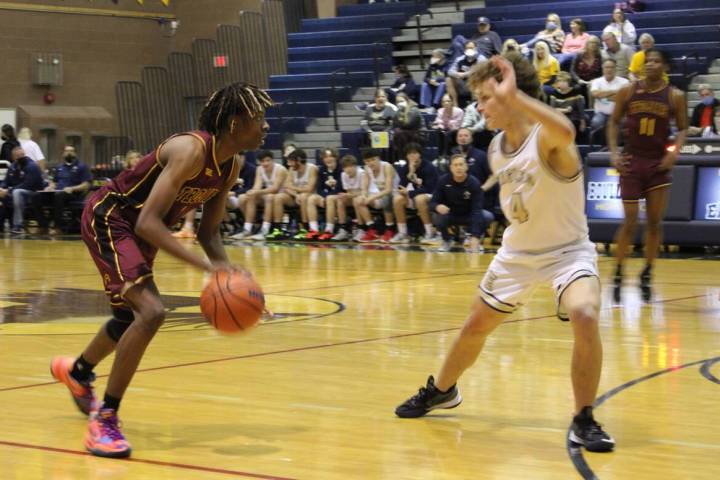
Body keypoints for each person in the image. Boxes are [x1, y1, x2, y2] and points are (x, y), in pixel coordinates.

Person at [395, 54, 616, 454]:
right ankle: (442, 390)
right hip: (517, 254)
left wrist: (519, 98)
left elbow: (565, 130)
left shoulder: (547, 136)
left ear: (510, 95)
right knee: (474, 327)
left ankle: (583, 418)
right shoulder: (496, 147)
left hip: (568, 251)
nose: (478, 106)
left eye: (485, 97)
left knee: (584, 314)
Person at [49, 82, 273, 458]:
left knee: (127, 319)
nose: (265, 126)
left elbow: (209, 232)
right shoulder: (190, 150)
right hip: (112, 218)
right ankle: (105, 419)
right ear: (235, 123)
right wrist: (209, 271)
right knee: (151, 312)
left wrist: (235, 279)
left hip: (139, 230)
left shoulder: (231, 164)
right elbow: (148, 222)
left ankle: (79, 372)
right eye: (259, 118)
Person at [607, 48, 687, 302]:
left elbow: (683, 128)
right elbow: (613, 122)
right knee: (629, 221)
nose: (650, 64)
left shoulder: (675, 96)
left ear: (665, 67)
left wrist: (674, 153)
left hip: (657, 164)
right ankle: (618, 272)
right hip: (632, 161)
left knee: (654, 223)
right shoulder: (628, 91)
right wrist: (613, 153)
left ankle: (647, 272)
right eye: (647, 60)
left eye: (656, 61)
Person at [430, 154, 487, 252]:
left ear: (466, 167)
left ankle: (473, 239)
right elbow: (432, 202)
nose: (458, 168)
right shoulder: (443, 181)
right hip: (450, 214)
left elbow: (476, 210)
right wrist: (437, 206)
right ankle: (446, 240)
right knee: (437, 216)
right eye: (455, 165)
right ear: (451, 168)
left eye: (461, 164)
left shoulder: (474, 183)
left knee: (486, 216)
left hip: (469, 214)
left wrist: (475, 235)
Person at [36, 145, 92, 235]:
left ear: (75, 153)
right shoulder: (59, 167)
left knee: (59, 196)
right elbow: (54, 182)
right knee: (36, 196)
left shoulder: (82, 166)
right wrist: (50, 187)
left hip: (74, 194)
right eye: (66, 151)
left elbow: (86, 185)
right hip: (58, 193)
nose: (69, 153)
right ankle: (43, 226)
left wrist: (72, 188)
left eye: (71, 151)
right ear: (63, 154)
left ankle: (58, 227)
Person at [390, 143, 438, 244]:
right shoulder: (404, 169)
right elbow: (401, 187)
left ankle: (429, 233)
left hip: (431, 196)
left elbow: (429, 188)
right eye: (409, 153)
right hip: (414, 195)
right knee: (397, 199)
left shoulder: (429, 167)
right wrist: (411, 173)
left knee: (419, 199)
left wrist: (409, 192)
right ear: (406, 156)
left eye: (415, 153)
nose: (412, 156)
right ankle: (403, 233)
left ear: (420, 154)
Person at [267, 148, 318, 240]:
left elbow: (310, 189)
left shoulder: (312, 168)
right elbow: (286, 186)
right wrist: (296, 194)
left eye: (291, 161)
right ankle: (277, 229)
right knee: (278, 197)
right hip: (295, 196)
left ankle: (304, 228)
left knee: (303, 196)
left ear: (298, 160)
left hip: (311, 197)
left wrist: (294, 189)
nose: (288, 164)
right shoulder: (291, 169)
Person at [353, 149, 399, 243]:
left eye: (373, 160)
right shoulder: (367, 168)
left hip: (396, 196)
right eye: (367, 161)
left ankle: (390, 229)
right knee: (358, 200)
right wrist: (364, 196)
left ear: (378, 158)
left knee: (387, 197)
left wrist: (371, 198)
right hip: (380, 196)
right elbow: (364, 188)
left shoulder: (387, 166)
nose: (370, 163)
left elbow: (388, 189)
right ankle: (372, 229)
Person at [0, 146, 45, 235]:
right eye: (18, 156)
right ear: (13, 157)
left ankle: (18, 226)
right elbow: (6, 181)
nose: (20, 157)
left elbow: (27, 184)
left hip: (33, 192)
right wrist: (2, 188)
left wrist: (9, 191)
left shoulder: (32, 166)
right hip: (15, 191)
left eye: (22, 155)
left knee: (17, 192)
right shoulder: (13, 166)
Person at [246, 151, 288, 240]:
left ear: (273, 160)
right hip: (270, 195)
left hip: (285, 195)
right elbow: (257, 186)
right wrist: (252, 192)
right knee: (247, 197)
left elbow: (275, 189)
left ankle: (264, 230)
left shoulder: (280, 169)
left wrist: (257, 192)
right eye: (262, 161)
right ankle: (247, 229)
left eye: (267, 160)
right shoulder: (259, 169)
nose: (265, 163)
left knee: (270, 197)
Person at [305, 147, 343, 240]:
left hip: (339, 196)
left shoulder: (341, 169)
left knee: (330, 199)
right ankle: (313, 229)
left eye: (330, 156)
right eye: (325, 157)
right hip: (326, 197)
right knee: (311, 198)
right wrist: (323, 197)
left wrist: (328, 196)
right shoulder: (322, 170)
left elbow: (341, 188)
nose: (328, 159)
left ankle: (328, 230)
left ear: (335, 157)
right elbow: (319, 188)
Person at [589, 59, 629, 133]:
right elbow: (595, 94)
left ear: (615, 69)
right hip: (601, 113)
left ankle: (618, 144)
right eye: (607, 67)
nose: (609, 70)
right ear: (603, 68)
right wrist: (616, 91)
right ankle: (599, 144)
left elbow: (624, 98)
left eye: (612, 67)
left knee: (625, 123)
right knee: (596, 122)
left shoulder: (624, 82)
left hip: (619, 113)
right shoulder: (596, 81)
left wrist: (603, 95)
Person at [225, 153, 256, 238]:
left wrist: (235, 193)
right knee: (216, 200)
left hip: (245, 197)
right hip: (232, 199)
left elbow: (251, 187)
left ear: (243, 158)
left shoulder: (251, 169)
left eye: (239, 158)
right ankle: (232, 225)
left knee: (243, 198)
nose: (237, 161)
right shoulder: (230, 169)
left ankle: (250, 226)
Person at [336, 154, 365, 241]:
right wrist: (346, 195)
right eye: (345, 167)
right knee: (340, 200)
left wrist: (350, 195)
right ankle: (343, 229)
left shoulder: (362, 173)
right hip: (353, 197)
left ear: (355, 166)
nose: (348, 169)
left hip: (364, 197)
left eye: (350, 166)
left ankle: (361, 229)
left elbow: (363, 192)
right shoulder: (343, 174)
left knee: (357, 200)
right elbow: (349, 191)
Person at [447, 41, 484, 108]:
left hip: (476, 85)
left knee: (474, 76)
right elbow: (450, 71)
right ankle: (455, 105)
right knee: (448, 79)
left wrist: (464, 74)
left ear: (476, 48)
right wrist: (457, 74)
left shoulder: (481, 59)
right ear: (464, 49)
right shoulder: (459, 59)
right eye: (467, 48)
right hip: (462, 85)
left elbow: (478, 71)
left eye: (471, 48)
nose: (469, 49)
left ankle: (474, 104)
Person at [549, 72, 587, 136]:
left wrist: (583, 122)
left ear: (568, 82)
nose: (562, 83)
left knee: (571, 124)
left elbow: (580, 109)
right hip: (560, 117)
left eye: (564, 81)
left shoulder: (575, 91)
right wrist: (566, 110)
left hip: (574, 117)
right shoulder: (554, 93)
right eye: (560, 81)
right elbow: (552, 110)